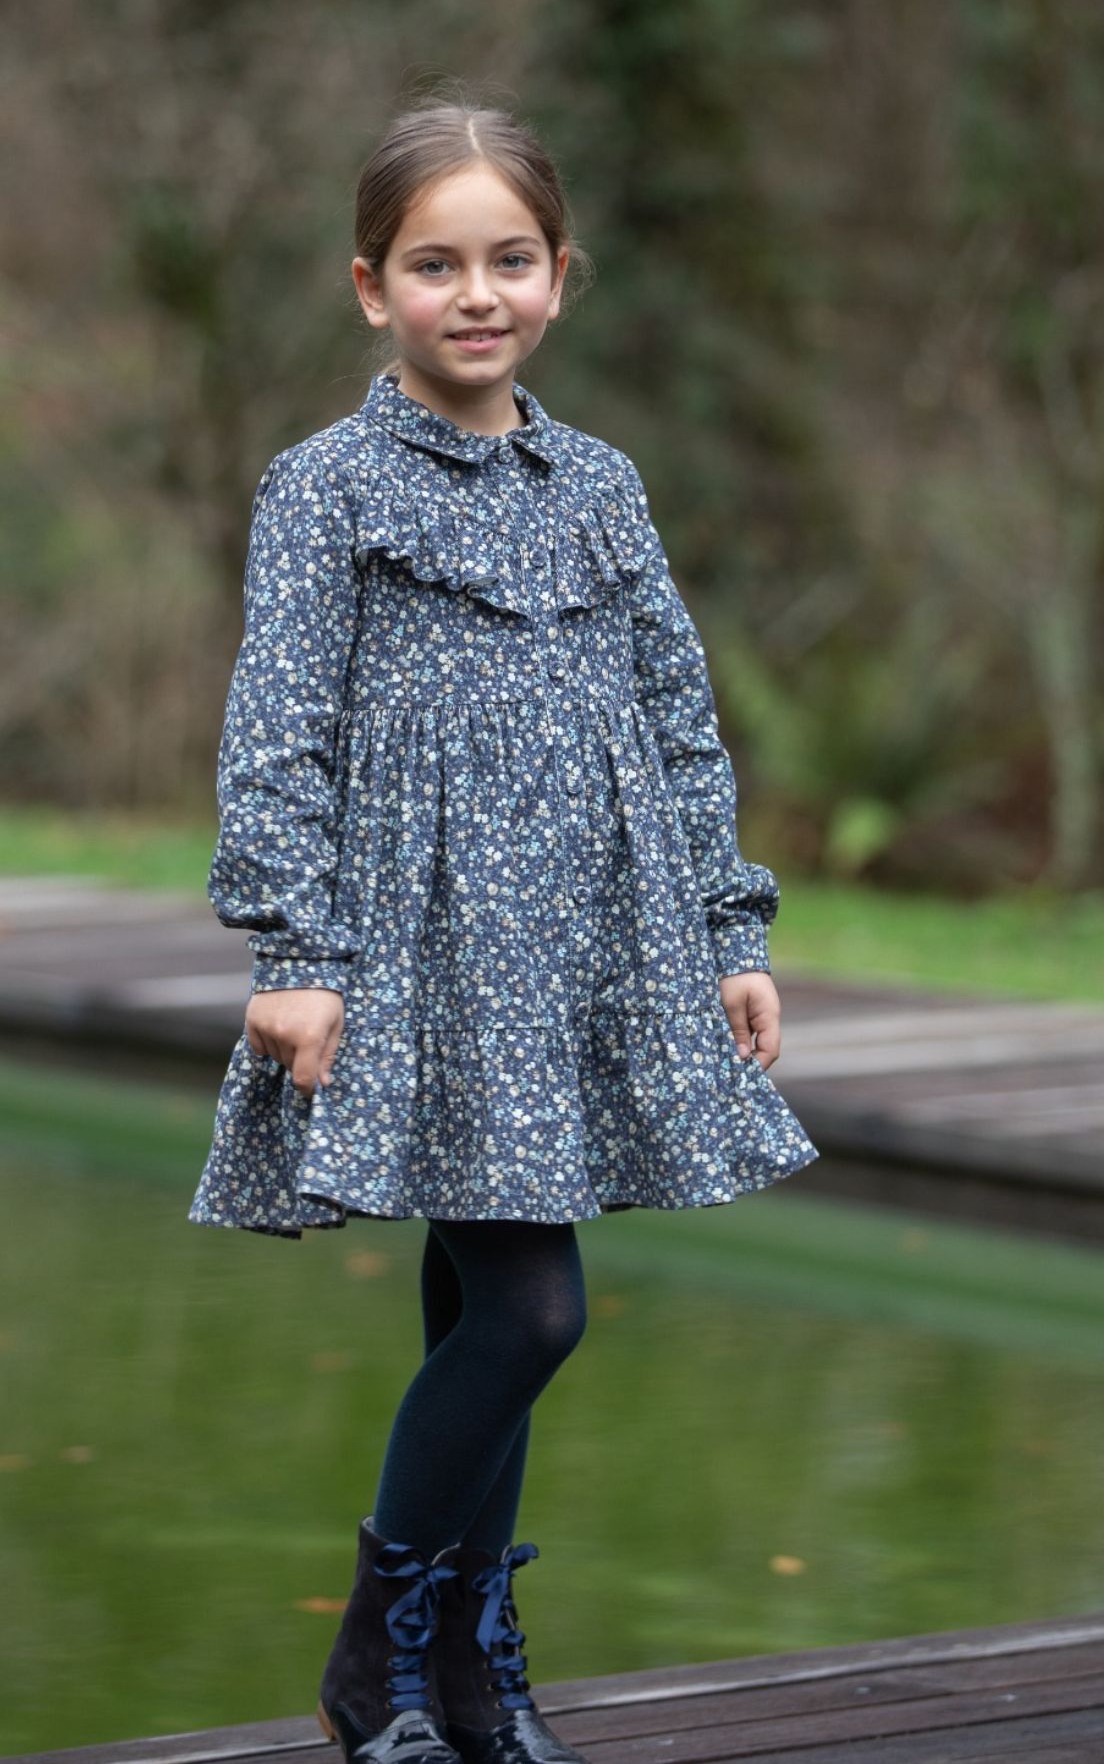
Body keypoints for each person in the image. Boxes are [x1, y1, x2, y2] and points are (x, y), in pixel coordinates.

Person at [188, 94, 820, 1764]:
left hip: (580, 952)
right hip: (419, 953)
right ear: (370, 286)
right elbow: (277, 729)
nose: (478, 293)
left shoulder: (599, 483)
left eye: (512, 259)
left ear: (559, 273)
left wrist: (729, 926)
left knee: (482, 1311)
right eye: (435, 264)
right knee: (533, 1311)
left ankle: (468, 1675)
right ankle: (375, 1655)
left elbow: (676, 717)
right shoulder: (326, 488)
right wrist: (292, 951)